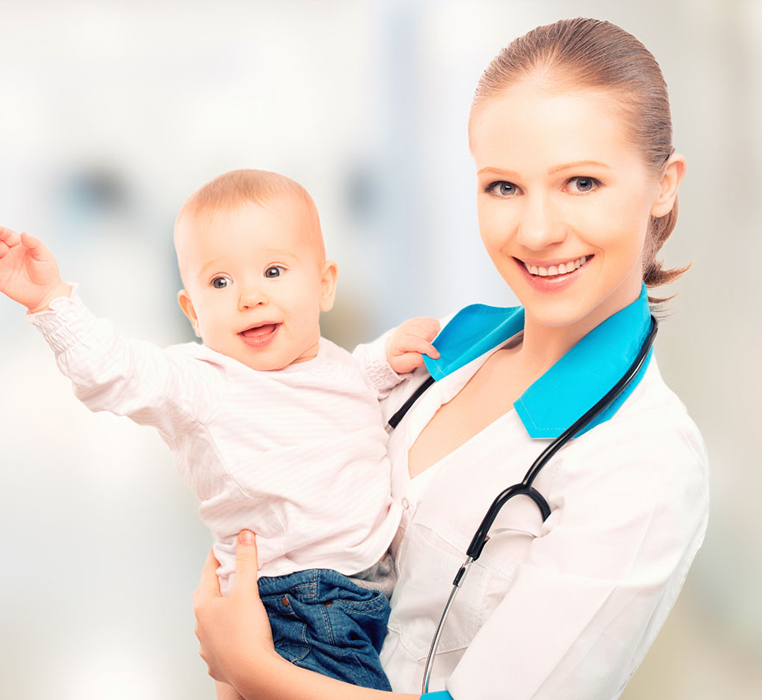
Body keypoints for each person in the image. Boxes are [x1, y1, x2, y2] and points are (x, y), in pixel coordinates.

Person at [191, 17, 710, 700]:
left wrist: (253, 670)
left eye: (582, 182)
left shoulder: (644, 464)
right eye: (504, 187)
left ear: (664, 184)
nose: (537, 231)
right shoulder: (439, 353)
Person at [0, 169, 443, 698]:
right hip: (300, 604)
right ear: (192, 311)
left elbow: (343, 385)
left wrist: (387, 356)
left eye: (274, 271)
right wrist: (50, 301)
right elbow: (113, 372)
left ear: (324, 285)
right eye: (220, 282)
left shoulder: (332, 362)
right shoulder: (204, 381)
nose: (250, 296)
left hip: (368, 586)